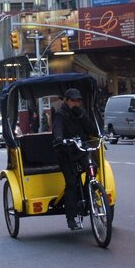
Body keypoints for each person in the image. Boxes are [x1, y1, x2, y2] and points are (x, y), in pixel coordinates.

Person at [52, 88, 98, 230]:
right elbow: (57, 129)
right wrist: (59, 138)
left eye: (78, 100)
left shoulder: (80, 113)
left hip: (80, 150)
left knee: (93, 168)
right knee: (71, 183)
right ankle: (71, 218)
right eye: (73, 100)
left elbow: (92, 130)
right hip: (66, 152)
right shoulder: (60, 114)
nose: (76, 103)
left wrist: (81, 117)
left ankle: (87, 195)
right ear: (66, 100)